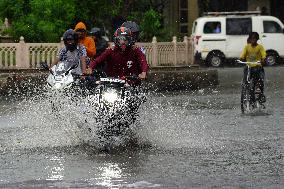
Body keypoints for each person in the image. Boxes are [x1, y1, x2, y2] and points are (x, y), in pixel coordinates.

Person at [240, 31, 266, 104]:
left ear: (257, 39)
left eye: (254, 39)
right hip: (249, 67)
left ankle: (261, 95)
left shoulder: (260, 47)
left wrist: (263, 59)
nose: (253, 40)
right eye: (252, 39)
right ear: (250, 39)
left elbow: (264, 54)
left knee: (260, 81)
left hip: (258, 67)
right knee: (245, 81)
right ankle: (246, 91)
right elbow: (242, 54)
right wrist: (241, 58)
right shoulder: (247, 47)